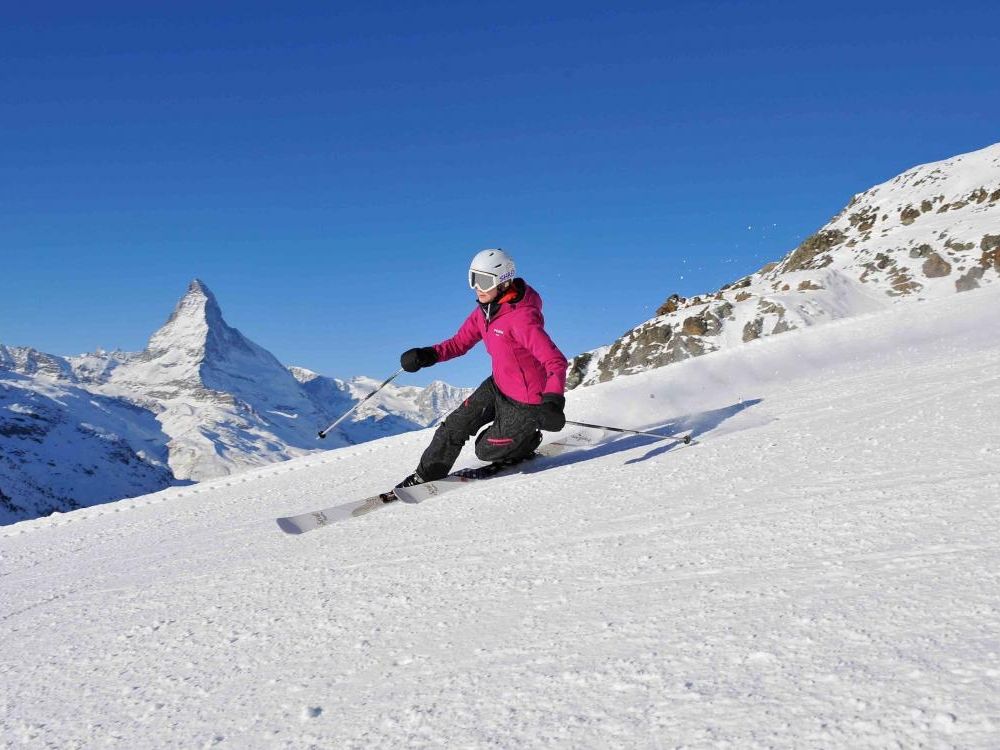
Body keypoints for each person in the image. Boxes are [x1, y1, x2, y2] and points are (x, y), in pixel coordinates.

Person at [395, 248, 568, 489]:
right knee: (454, 426)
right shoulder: (484, 313)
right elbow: (458, 343)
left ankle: (526, 439)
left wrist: (552, 401)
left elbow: (555, 361)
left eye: (484, 281)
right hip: (498, 384)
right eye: (473, 279)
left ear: (504, 282)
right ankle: (425, 477)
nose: (478, 287)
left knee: (484, 449)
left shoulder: (522, 320)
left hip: (527, 400)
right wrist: (427, 355)